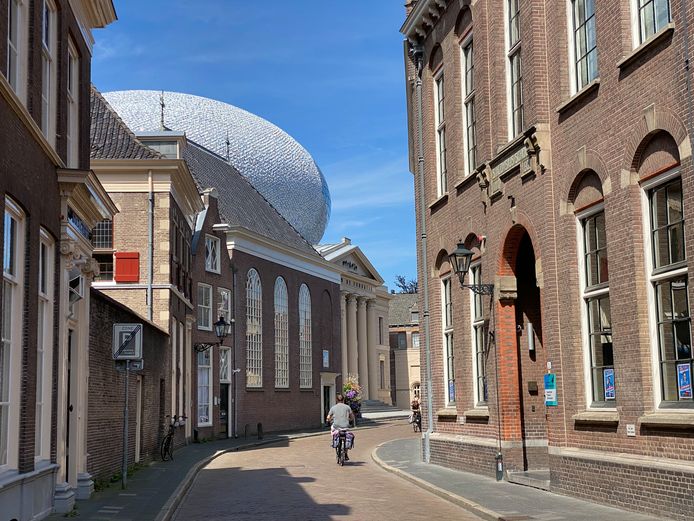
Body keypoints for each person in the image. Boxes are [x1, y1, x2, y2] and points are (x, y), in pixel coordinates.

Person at [327, 394, 355, 459]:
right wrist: (349, 419)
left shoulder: (333, 407)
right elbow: (352, 417)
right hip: (345, 427)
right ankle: (346, 453)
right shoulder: (347, 407)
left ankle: (335, 442)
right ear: (343, 400)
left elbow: (328, 417)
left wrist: (328, 420)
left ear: (336, 400)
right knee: (347, 437)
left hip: (336, 427)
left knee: (333, 430)